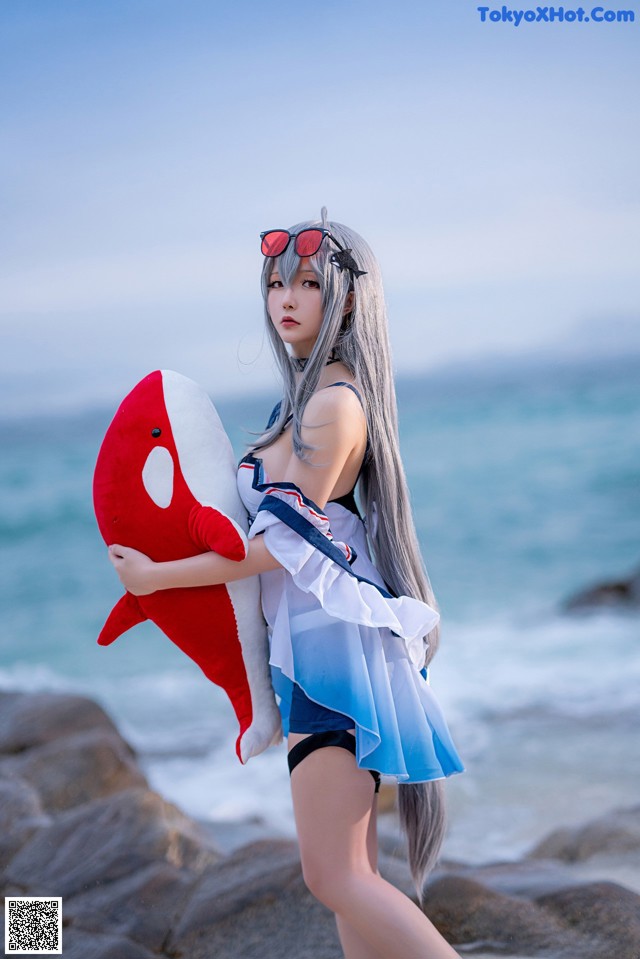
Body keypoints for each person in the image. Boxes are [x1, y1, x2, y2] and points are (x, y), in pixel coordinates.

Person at [109, 208, 464, 959]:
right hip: (310, 645)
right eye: (277, 283)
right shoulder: (298, 404)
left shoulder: (334, 406)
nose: (287, 298)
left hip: (331, 649)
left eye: (308, 282)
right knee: (350, 873)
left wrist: (156, 576)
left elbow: (274, 549)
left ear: (346, 299)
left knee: (333, 876)